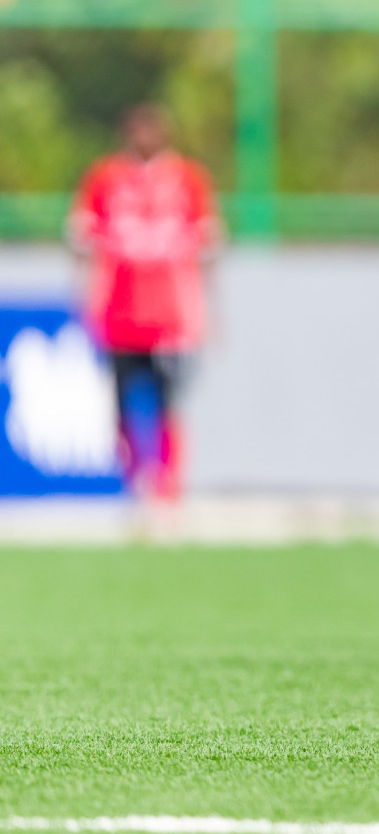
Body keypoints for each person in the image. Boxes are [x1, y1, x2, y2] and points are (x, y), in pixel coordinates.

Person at [67, 104, 222, 531]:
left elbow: (208, 245)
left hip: (171, 314)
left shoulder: (188, 179)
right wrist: (83, 298)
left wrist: (211, 312)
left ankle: (168, 487)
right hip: (119, 312)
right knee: (120, 402)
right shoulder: (105, 178)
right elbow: (81, 237)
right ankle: (134, 482)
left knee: (169, 401)